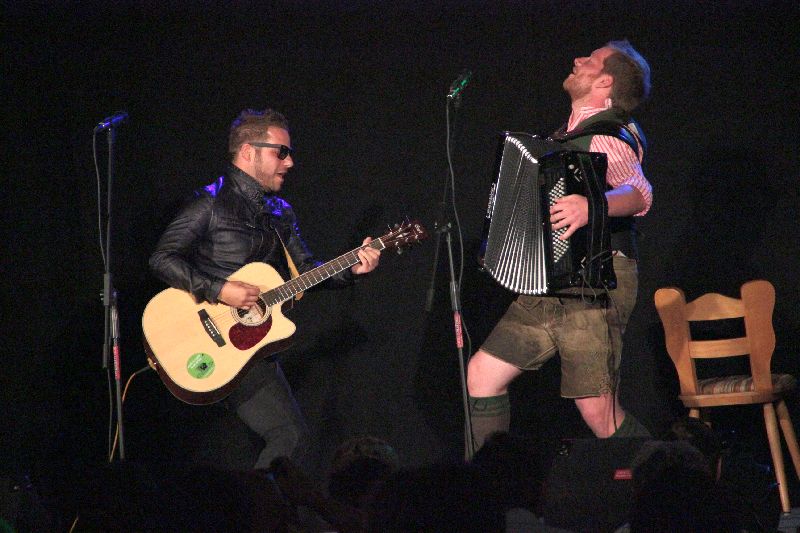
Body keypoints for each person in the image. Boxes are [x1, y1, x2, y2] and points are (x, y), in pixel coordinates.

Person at [149, 108, 381, 470]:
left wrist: (351, 269)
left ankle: (260, 501)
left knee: (288, 435)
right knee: (249, 445)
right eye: (281, 152)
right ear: (248, 152)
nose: (290, 162)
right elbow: (162, 258)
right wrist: (219, 289)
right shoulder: (209, 203)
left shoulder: (280, 212)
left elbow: (306, 272)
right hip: (200, 339)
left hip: (251, 350)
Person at [467, 40, 653, 448]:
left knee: (597, 411)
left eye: (591, 60)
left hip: (595, 283)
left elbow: (640, 193)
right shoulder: (566, 137)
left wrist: (592, 206)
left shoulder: (607, 136)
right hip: (553, 284)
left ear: (605, 82)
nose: (577, 60)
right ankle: (491, 479)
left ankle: (666, 472)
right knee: (482, 374)